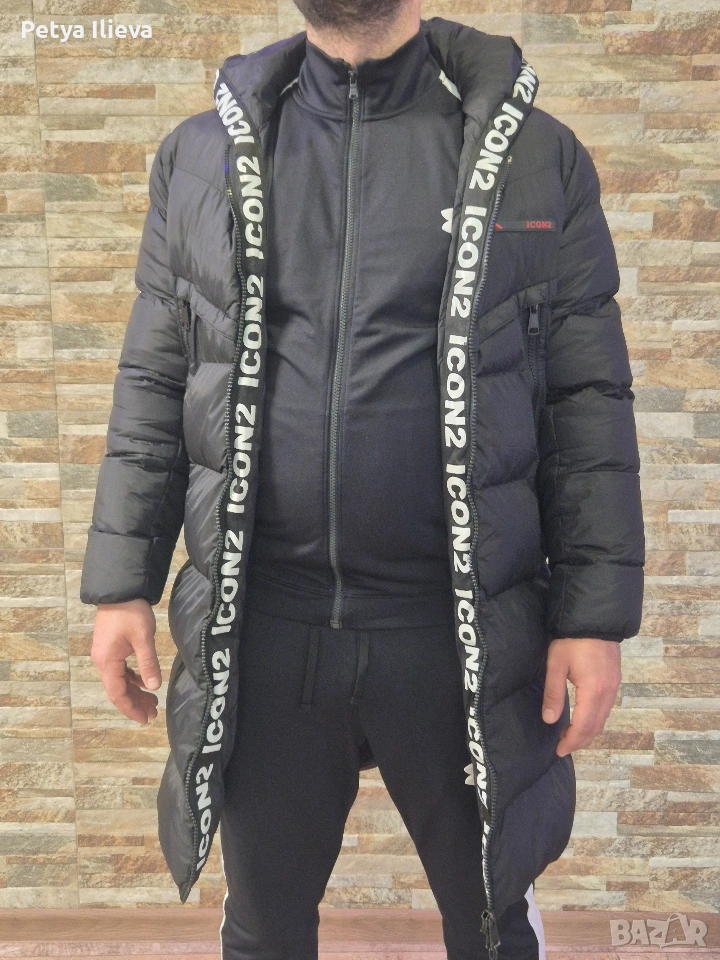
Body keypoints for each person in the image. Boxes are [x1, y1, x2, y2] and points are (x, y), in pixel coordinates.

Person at [80, 1, 646, 958]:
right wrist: (121, 583)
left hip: (460, 634)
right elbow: (157, 378)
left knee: (493, 927)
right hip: (268, 629)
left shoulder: (534, 158)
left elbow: (585, 399)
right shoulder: (200, 158)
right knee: (263, 932)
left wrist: (592, 617)